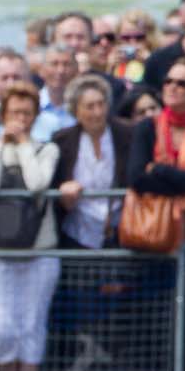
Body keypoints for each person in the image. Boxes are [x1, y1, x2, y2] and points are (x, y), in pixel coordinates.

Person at [0, 81, 60, 371]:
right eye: (14, 113)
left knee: (31, 323)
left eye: (27, 113)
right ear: (2, 115)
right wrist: (2, 145)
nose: (20, 119)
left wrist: (24, 145)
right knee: (2, 326)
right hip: (2, 252)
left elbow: (37, 183)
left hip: (40, 250)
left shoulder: (47, 149)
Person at [128, 57, 185, 242]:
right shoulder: (147, 127)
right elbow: (136, 178)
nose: (172, 87)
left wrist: (159, 170)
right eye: (168, 81)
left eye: (182, 84)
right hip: (152, 231)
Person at [53, 76, 134, 248]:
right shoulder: (62, 140)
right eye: (90, 107)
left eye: (101, 104)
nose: (98, 112)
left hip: (121, 231)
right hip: (78, 233)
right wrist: (64, 192)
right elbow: (55, 185)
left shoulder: (127, 133)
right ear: (76, 111)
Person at [111, 10, 157, 88]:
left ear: (149, 38)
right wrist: (110, 67)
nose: (133, 42)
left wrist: (150, 63)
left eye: (139, 37)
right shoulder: (111, 59)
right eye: (126, 37)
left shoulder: (158, 58)